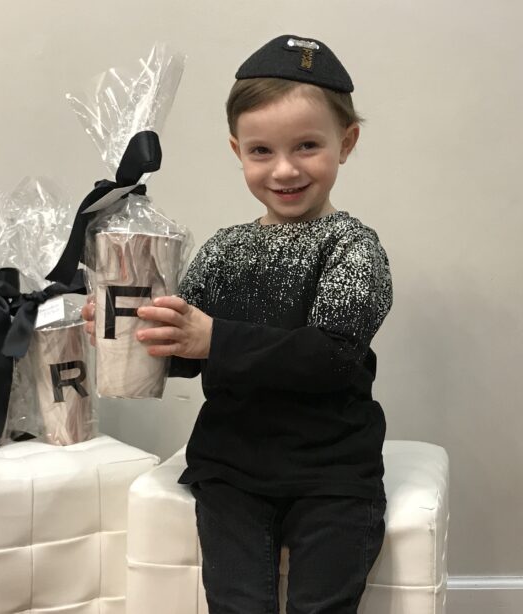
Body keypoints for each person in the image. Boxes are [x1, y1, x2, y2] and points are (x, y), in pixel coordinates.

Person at [83, 34, 392, 614]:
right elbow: (183, 351)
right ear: (237, 151)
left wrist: (215, 337)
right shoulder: (224, 249)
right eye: (261, 151)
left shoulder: (352, 247)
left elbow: (333, 355)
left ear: (346, 142)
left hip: (331, 471)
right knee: (236, 603)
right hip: (232, 469)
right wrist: (129, 328)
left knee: (322, 603)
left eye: (307, 146)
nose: (284, 169)